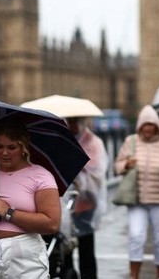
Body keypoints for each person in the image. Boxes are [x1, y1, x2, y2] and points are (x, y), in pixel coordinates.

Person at [0, 119, 61, 278]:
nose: (4, 153)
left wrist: (9, 213)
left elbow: (51, 224)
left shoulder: (41, 176)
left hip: (24, 256)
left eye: (11, 147)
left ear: (23, 147)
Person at [114, 104, 159, 279]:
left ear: (157, 126)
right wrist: (126, 164)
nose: (148, 128)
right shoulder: (131, 141)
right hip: (137, 200)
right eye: (144, 124)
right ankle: (134, 275)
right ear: (139, 126)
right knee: (136, 236)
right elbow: (117, 166)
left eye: (151, 124)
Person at [55, 116, 109, 279]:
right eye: (68, 122)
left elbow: (97, 169)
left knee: (86, 246)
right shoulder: (61, 140)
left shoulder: (93, 142)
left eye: (74, 122)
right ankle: (68, 274)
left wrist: (78, 168)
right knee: (65, 247)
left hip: (86, 203)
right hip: (65, 202)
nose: (71, 125)